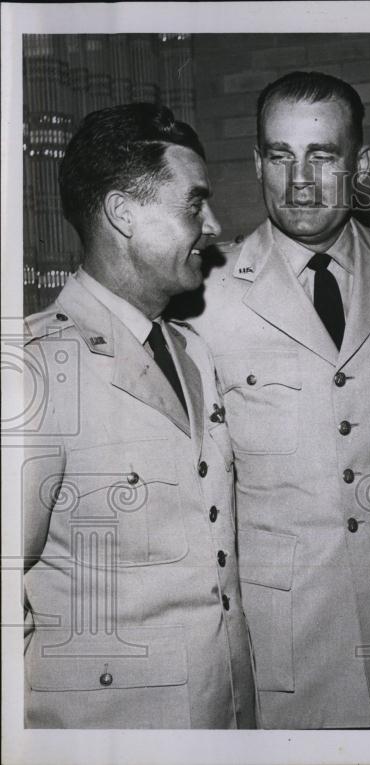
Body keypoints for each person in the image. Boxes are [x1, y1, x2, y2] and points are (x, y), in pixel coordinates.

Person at [190, 71, 370, 729]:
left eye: (323, 155)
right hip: (289, 657)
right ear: (256, 163)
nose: (300, 179)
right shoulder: (205, 294)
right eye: (280, 156)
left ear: (361, 165)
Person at [21, 103, 256, 728]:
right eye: (193, 203)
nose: (213, 225)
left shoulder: (193, 354)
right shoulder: (36, 371)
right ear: (123, 212)